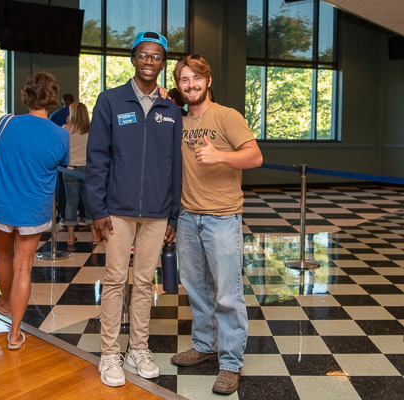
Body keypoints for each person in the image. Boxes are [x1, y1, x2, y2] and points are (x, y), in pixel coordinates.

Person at [86, 31, 182, 387]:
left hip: (157, 211)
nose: (149, 61)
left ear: (163, 63)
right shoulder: (110, 100)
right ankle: (109, 353)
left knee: (143, 282)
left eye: (156, 56)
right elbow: (97, 157)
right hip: (118, 209)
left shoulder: (171, 109)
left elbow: (176, 166)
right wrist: (97, 209)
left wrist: (173, 214)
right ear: (133, 59)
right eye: (143, 54)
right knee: (114, 279)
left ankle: (138, 348)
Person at [170, 55, 262, 395]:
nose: (191, 85)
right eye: (184, 80)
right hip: (187, 217)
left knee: (227, 294)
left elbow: (255, 157)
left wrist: (219, 155)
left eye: (196, 78)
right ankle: (204, 345)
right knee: (196, 289)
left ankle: (231, 363)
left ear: (208, 81)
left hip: (222, 218)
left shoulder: (227, 116)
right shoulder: (178, 121)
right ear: (178, 86)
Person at [0, 72, 69, 350]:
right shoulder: (60, 134)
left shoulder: (6, 122)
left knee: (3, 257)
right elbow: (61, 162)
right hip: (33, 207)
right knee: (23, 267)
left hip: (0, 201)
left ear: (26, 95)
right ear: (52, 97)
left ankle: (5, 303)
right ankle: (15, 334)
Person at [62, 101, 100, 245]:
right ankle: (95, 236)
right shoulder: (91, 129)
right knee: (89, 202)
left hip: (70, 169)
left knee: (71, 202)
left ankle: (71, 237)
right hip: (88, 169)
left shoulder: (65, 129)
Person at [50, 93, 75, 223]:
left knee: (61, 187)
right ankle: (81, 215)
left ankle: (62, 214)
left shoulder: (55, 115)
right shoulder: (79, 117)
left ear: (62, 102)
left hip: (60, 157)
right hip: (77, 160)